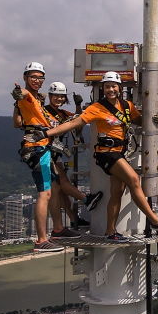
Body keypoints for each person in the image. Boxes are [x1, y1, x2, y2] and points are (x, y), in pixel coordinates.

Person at [43, 71, 158, 241]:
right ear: (103, 89)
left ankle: (110, 232)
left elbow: (138, 120)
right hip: (106, 154)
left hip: (119, 152)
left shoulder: (127, 106)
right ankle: (154, 220)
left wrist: (156, 117)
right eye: (107, 87)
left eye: (113, 86)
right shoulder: (96, 108)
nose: (110, 89)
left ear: (119, 88)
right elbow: (74, 123)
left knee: (117, 192)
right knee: (134, 180)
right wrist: (47, 133)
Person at [11, 62, 80, 252]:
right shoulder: (28, 96)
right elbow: (21, 94)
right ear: (25, 77)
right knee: (45, 193)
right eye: (33, 76)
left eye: (40, 77)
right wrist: (18, 95)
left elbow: (17, 123)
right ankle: (41, 239)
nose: (37, 80)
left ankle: (58, 229)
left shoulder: (36, 100)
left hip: (44, 148)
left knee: (55, 189)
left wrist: (19, 105)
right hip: (37, 148)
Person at [44, 82, 102, 227]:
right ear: (50, 96)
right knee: (63, 182)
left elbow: (77, 122)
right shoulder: (43, 112)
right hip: (45, 152)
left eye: (61, 97)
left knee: (61, 190)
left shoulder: (63, 114)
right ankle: (86, 199)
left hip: (55, 153)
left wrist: (78, 106)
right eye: (56, 96)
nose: (59, 99)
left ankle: (74, 220)